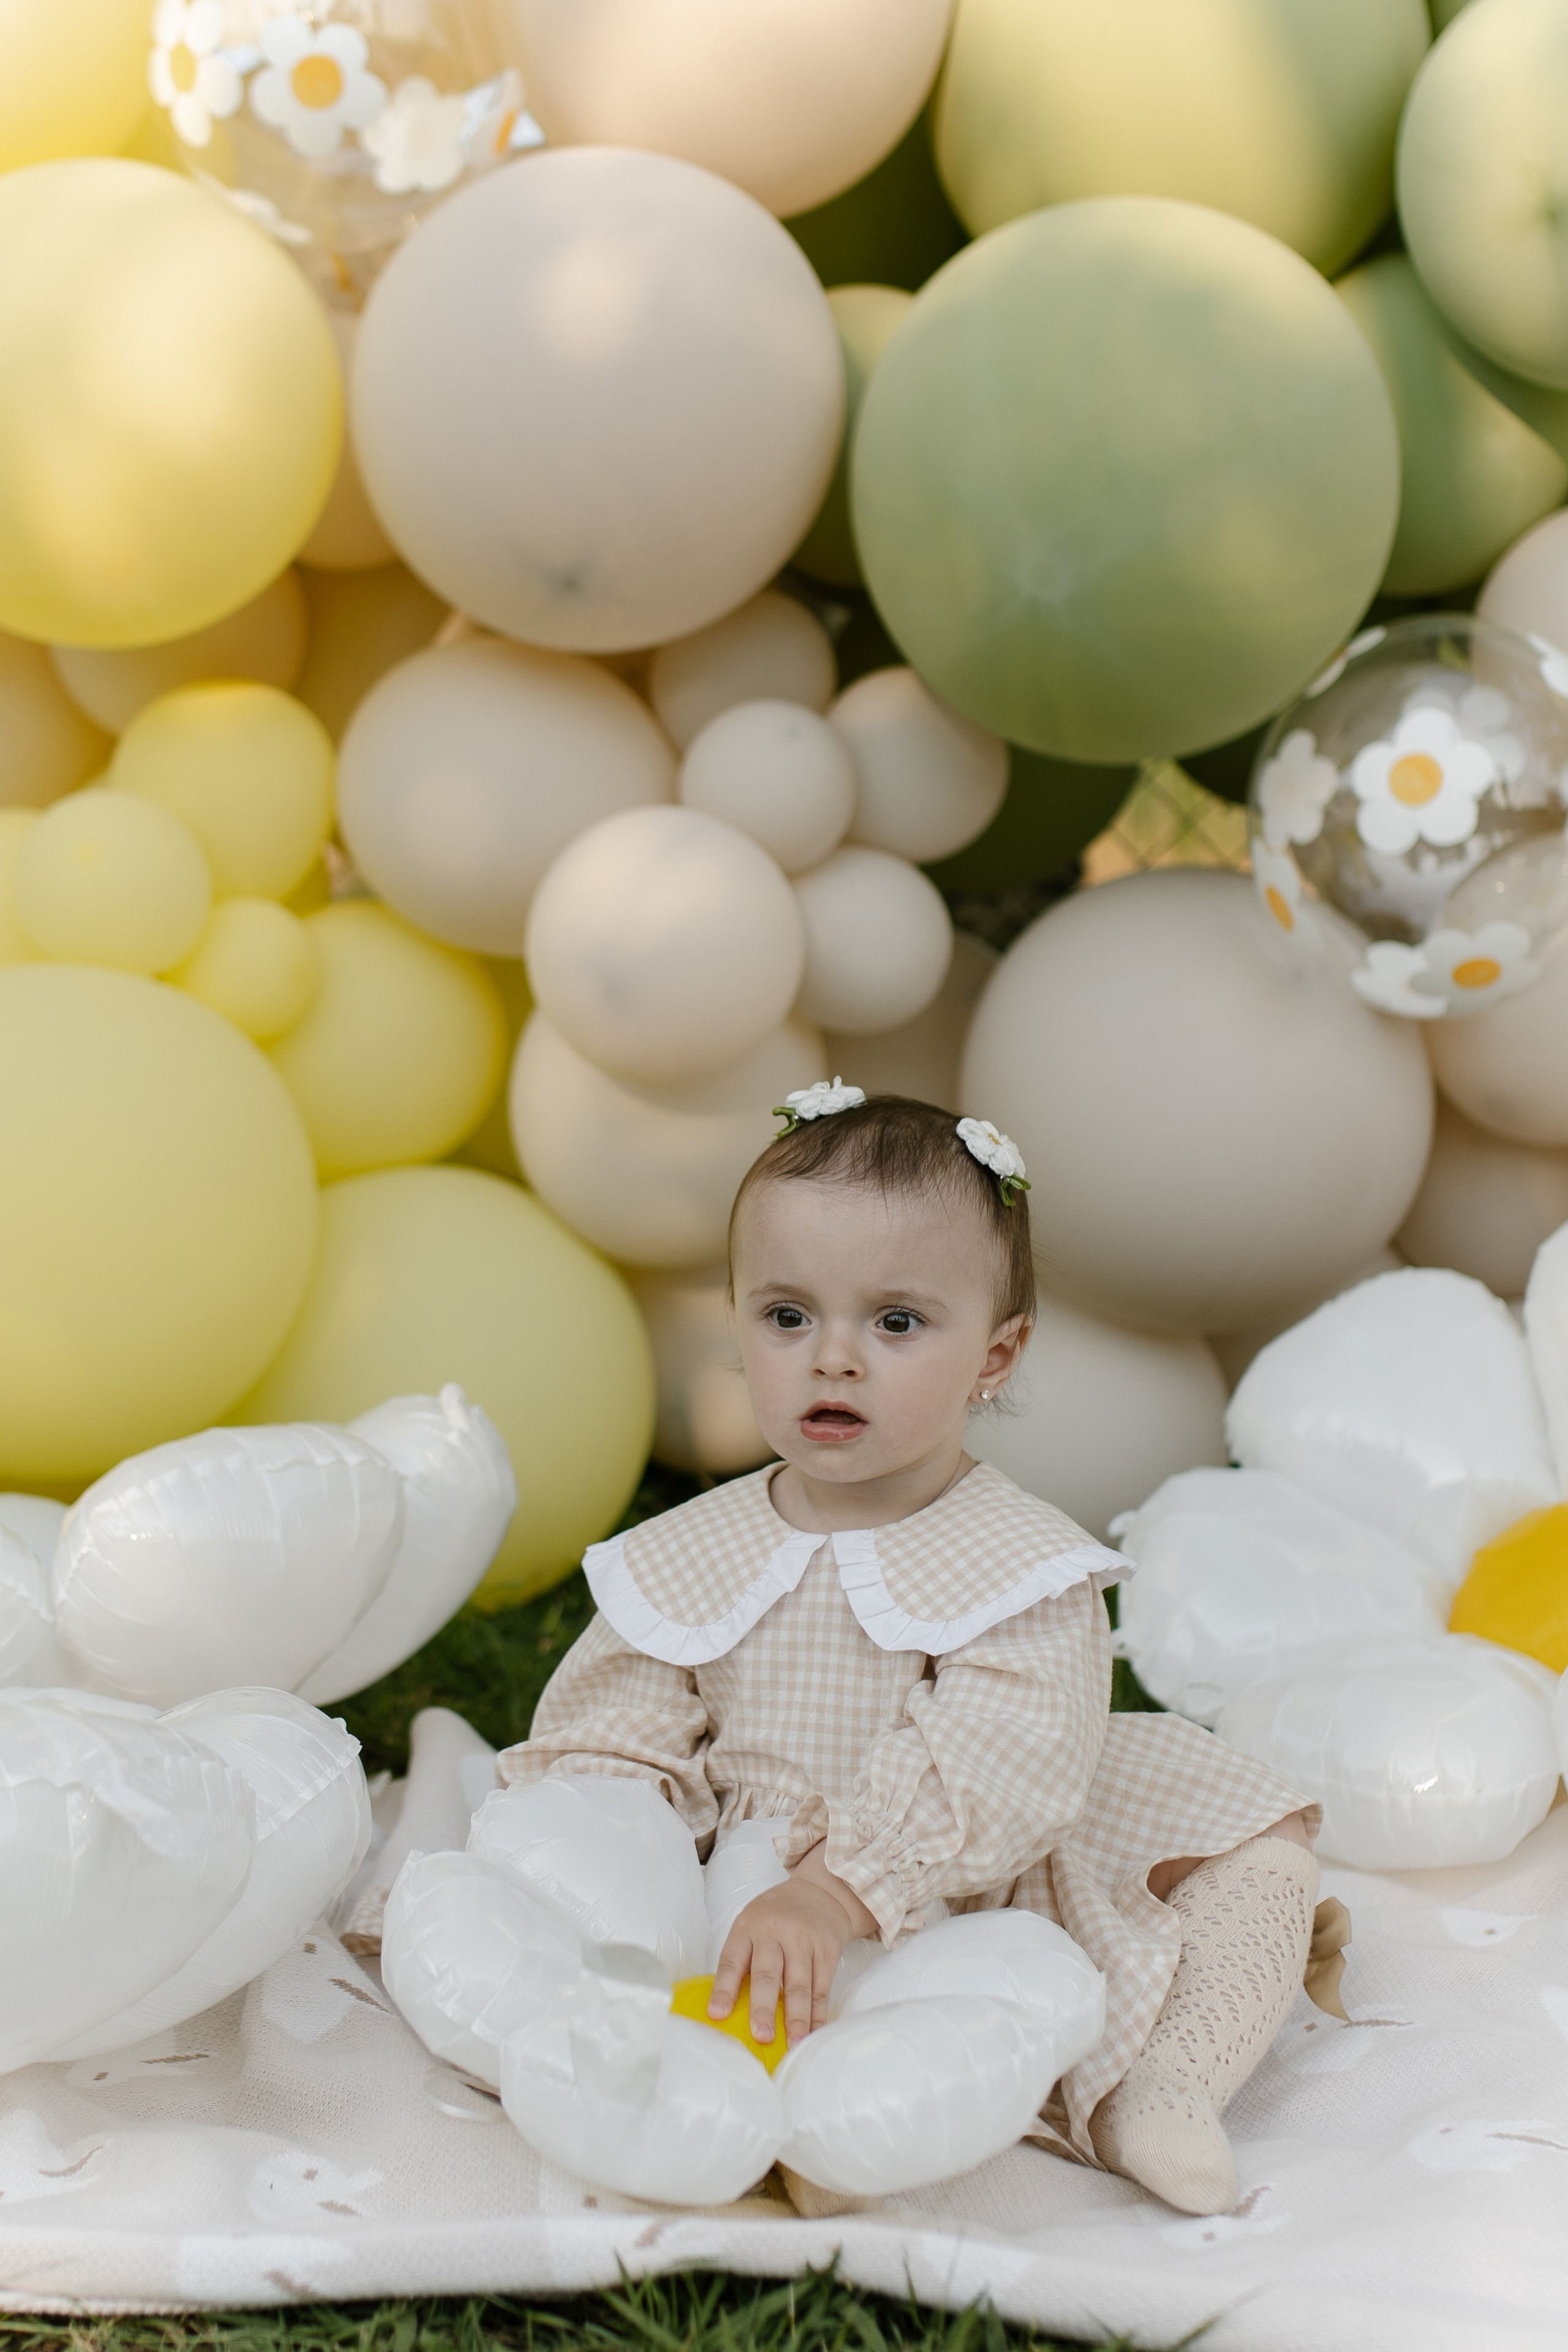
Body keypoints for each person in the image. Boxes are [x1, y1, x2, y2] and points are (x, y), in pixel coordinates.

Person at [497, 1085, 1338, 2216]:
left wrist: (844, 1887)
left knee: (1264, 1848)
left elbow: (1009, 1754)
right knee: (586, 1862)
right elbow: (619, 1732)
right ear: (737, 1322)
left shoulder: (1015, 1564)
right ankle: (764, 2095)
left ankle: (1166, 2080)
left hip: (967, 1871)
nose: (832, 1359)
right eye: (788, 1317)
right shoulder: (692, 1553)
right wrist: (627, 1847)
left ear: (997, 1354)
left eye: (896, 1323)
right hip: (745, 1886)